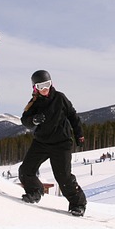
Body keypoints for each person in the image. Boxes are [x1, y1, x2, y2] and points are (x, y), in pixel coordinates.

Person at [18, 70, 89, 217]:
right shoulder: (34, 103)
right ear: (35, 88)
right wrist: (33, 120)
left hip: (61, 144)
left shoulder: (60, 98)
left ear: (51, 84)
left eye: (47, 84)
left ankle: (78, 204)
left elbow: (73, 116)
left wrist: (79, 135)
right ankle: (35, 192)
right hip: (41, 142)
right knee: (25, 170)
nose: (44, 89)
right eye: (40, 86)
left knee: (63, 177)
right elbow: (25, 120)